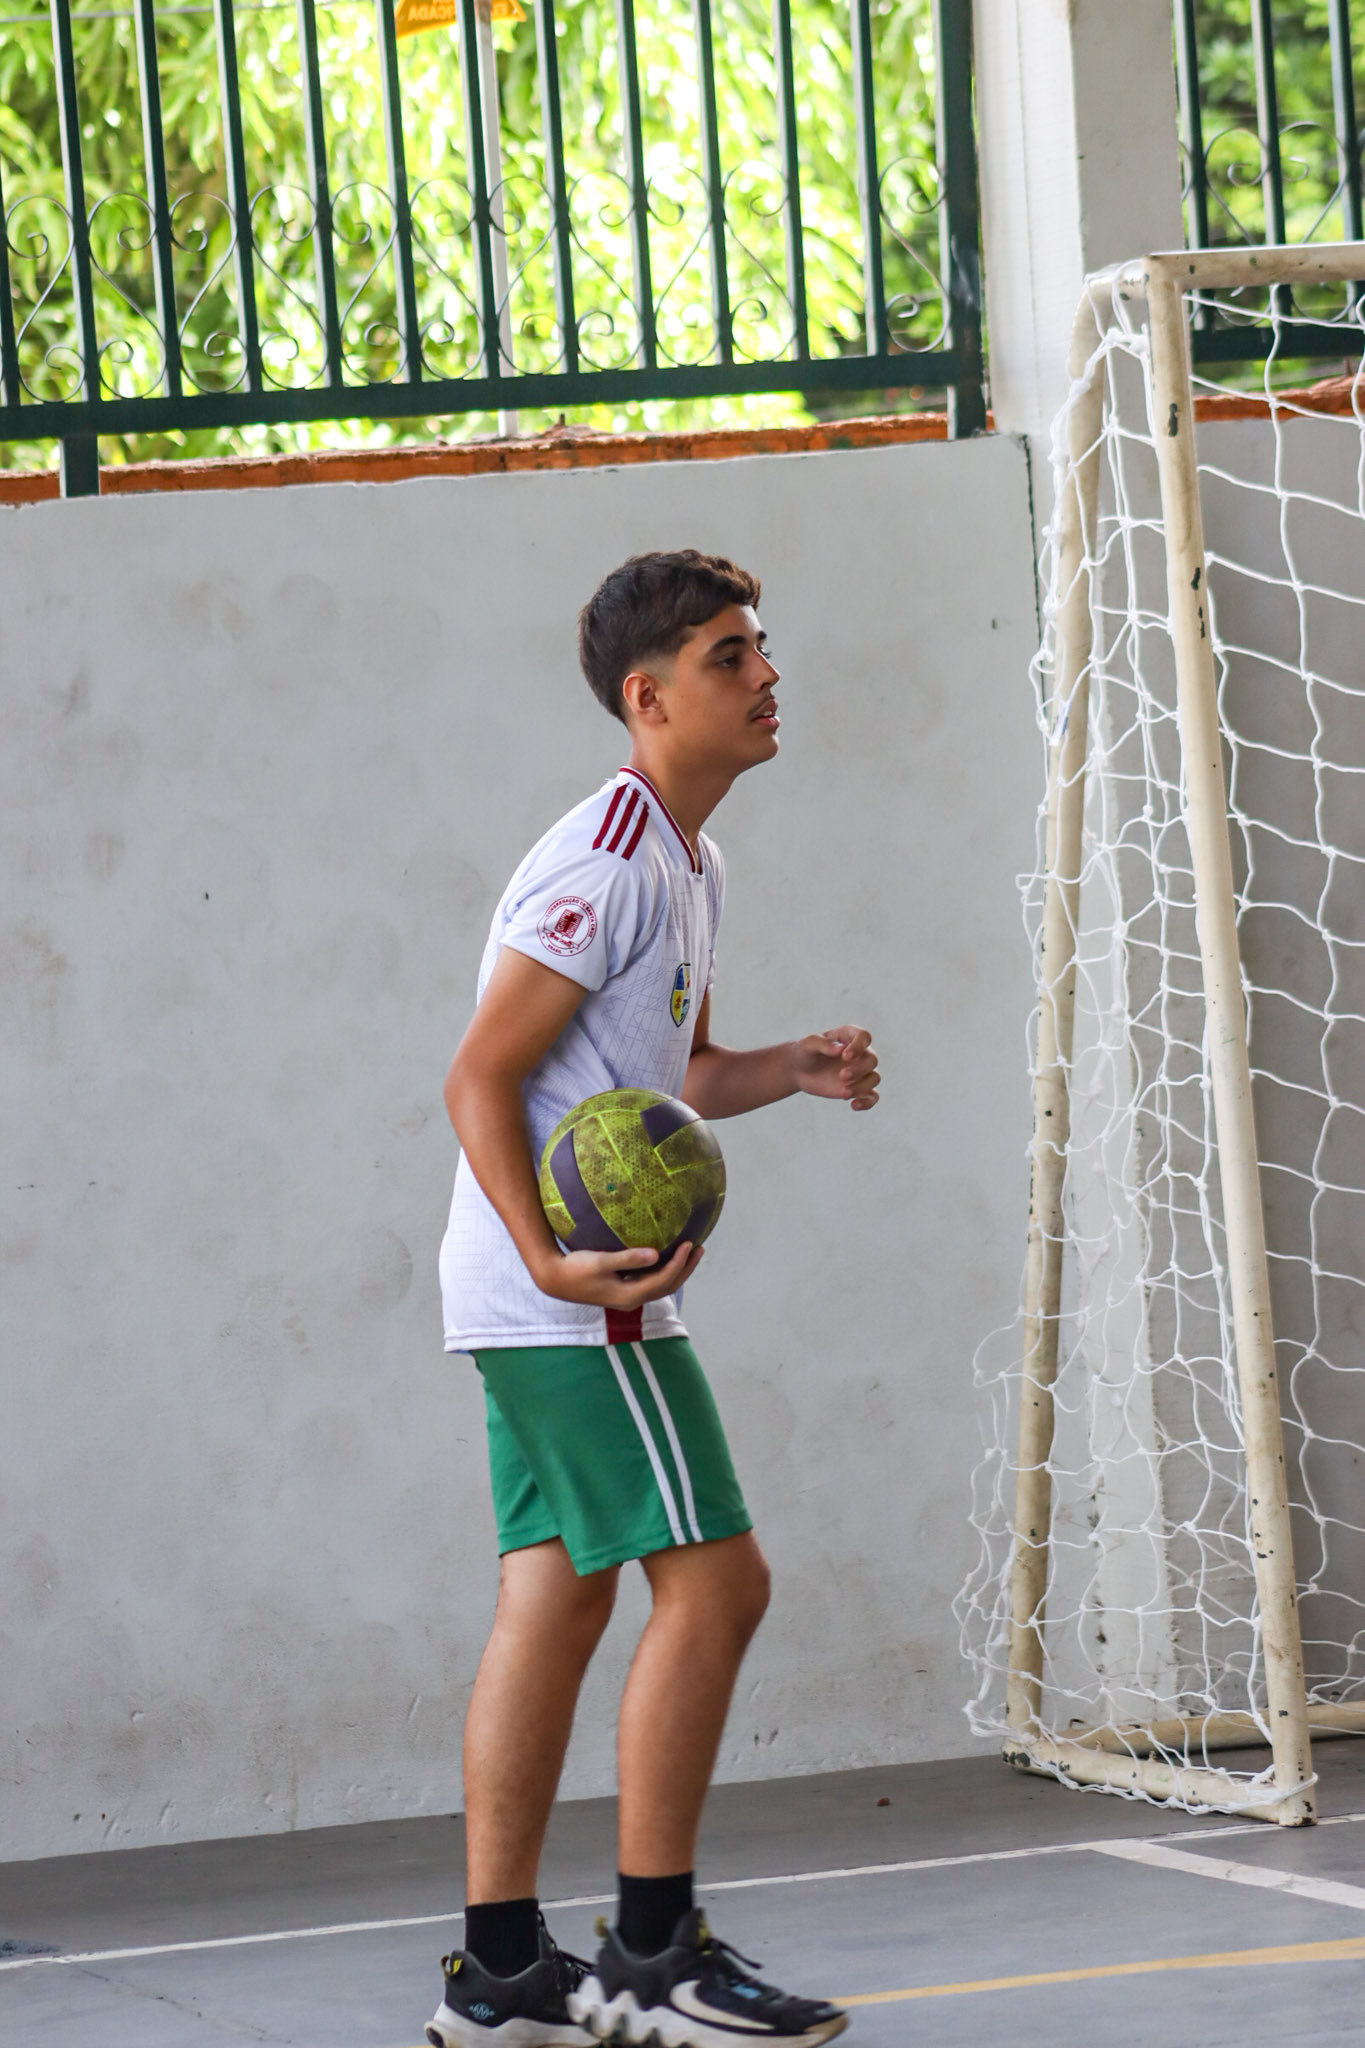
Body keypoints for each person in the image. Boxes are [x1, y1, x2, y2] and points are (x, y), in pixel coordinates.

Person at [428, 550, 880, 2048]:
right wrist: (550, 1261)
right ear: (649, 695)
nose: (766, 674)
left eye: (761, 646)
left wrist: (786, 1069)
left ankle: (502, 1973)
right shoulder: (609, 858)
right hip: (569, 1294)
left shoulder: (690, 860)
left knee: (556, 1597)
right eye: (729, 655)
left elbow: (664, 1078)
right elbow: (480, 1076)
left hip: (530, 1293)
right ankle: (650, 1957)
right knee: (720, 1585)